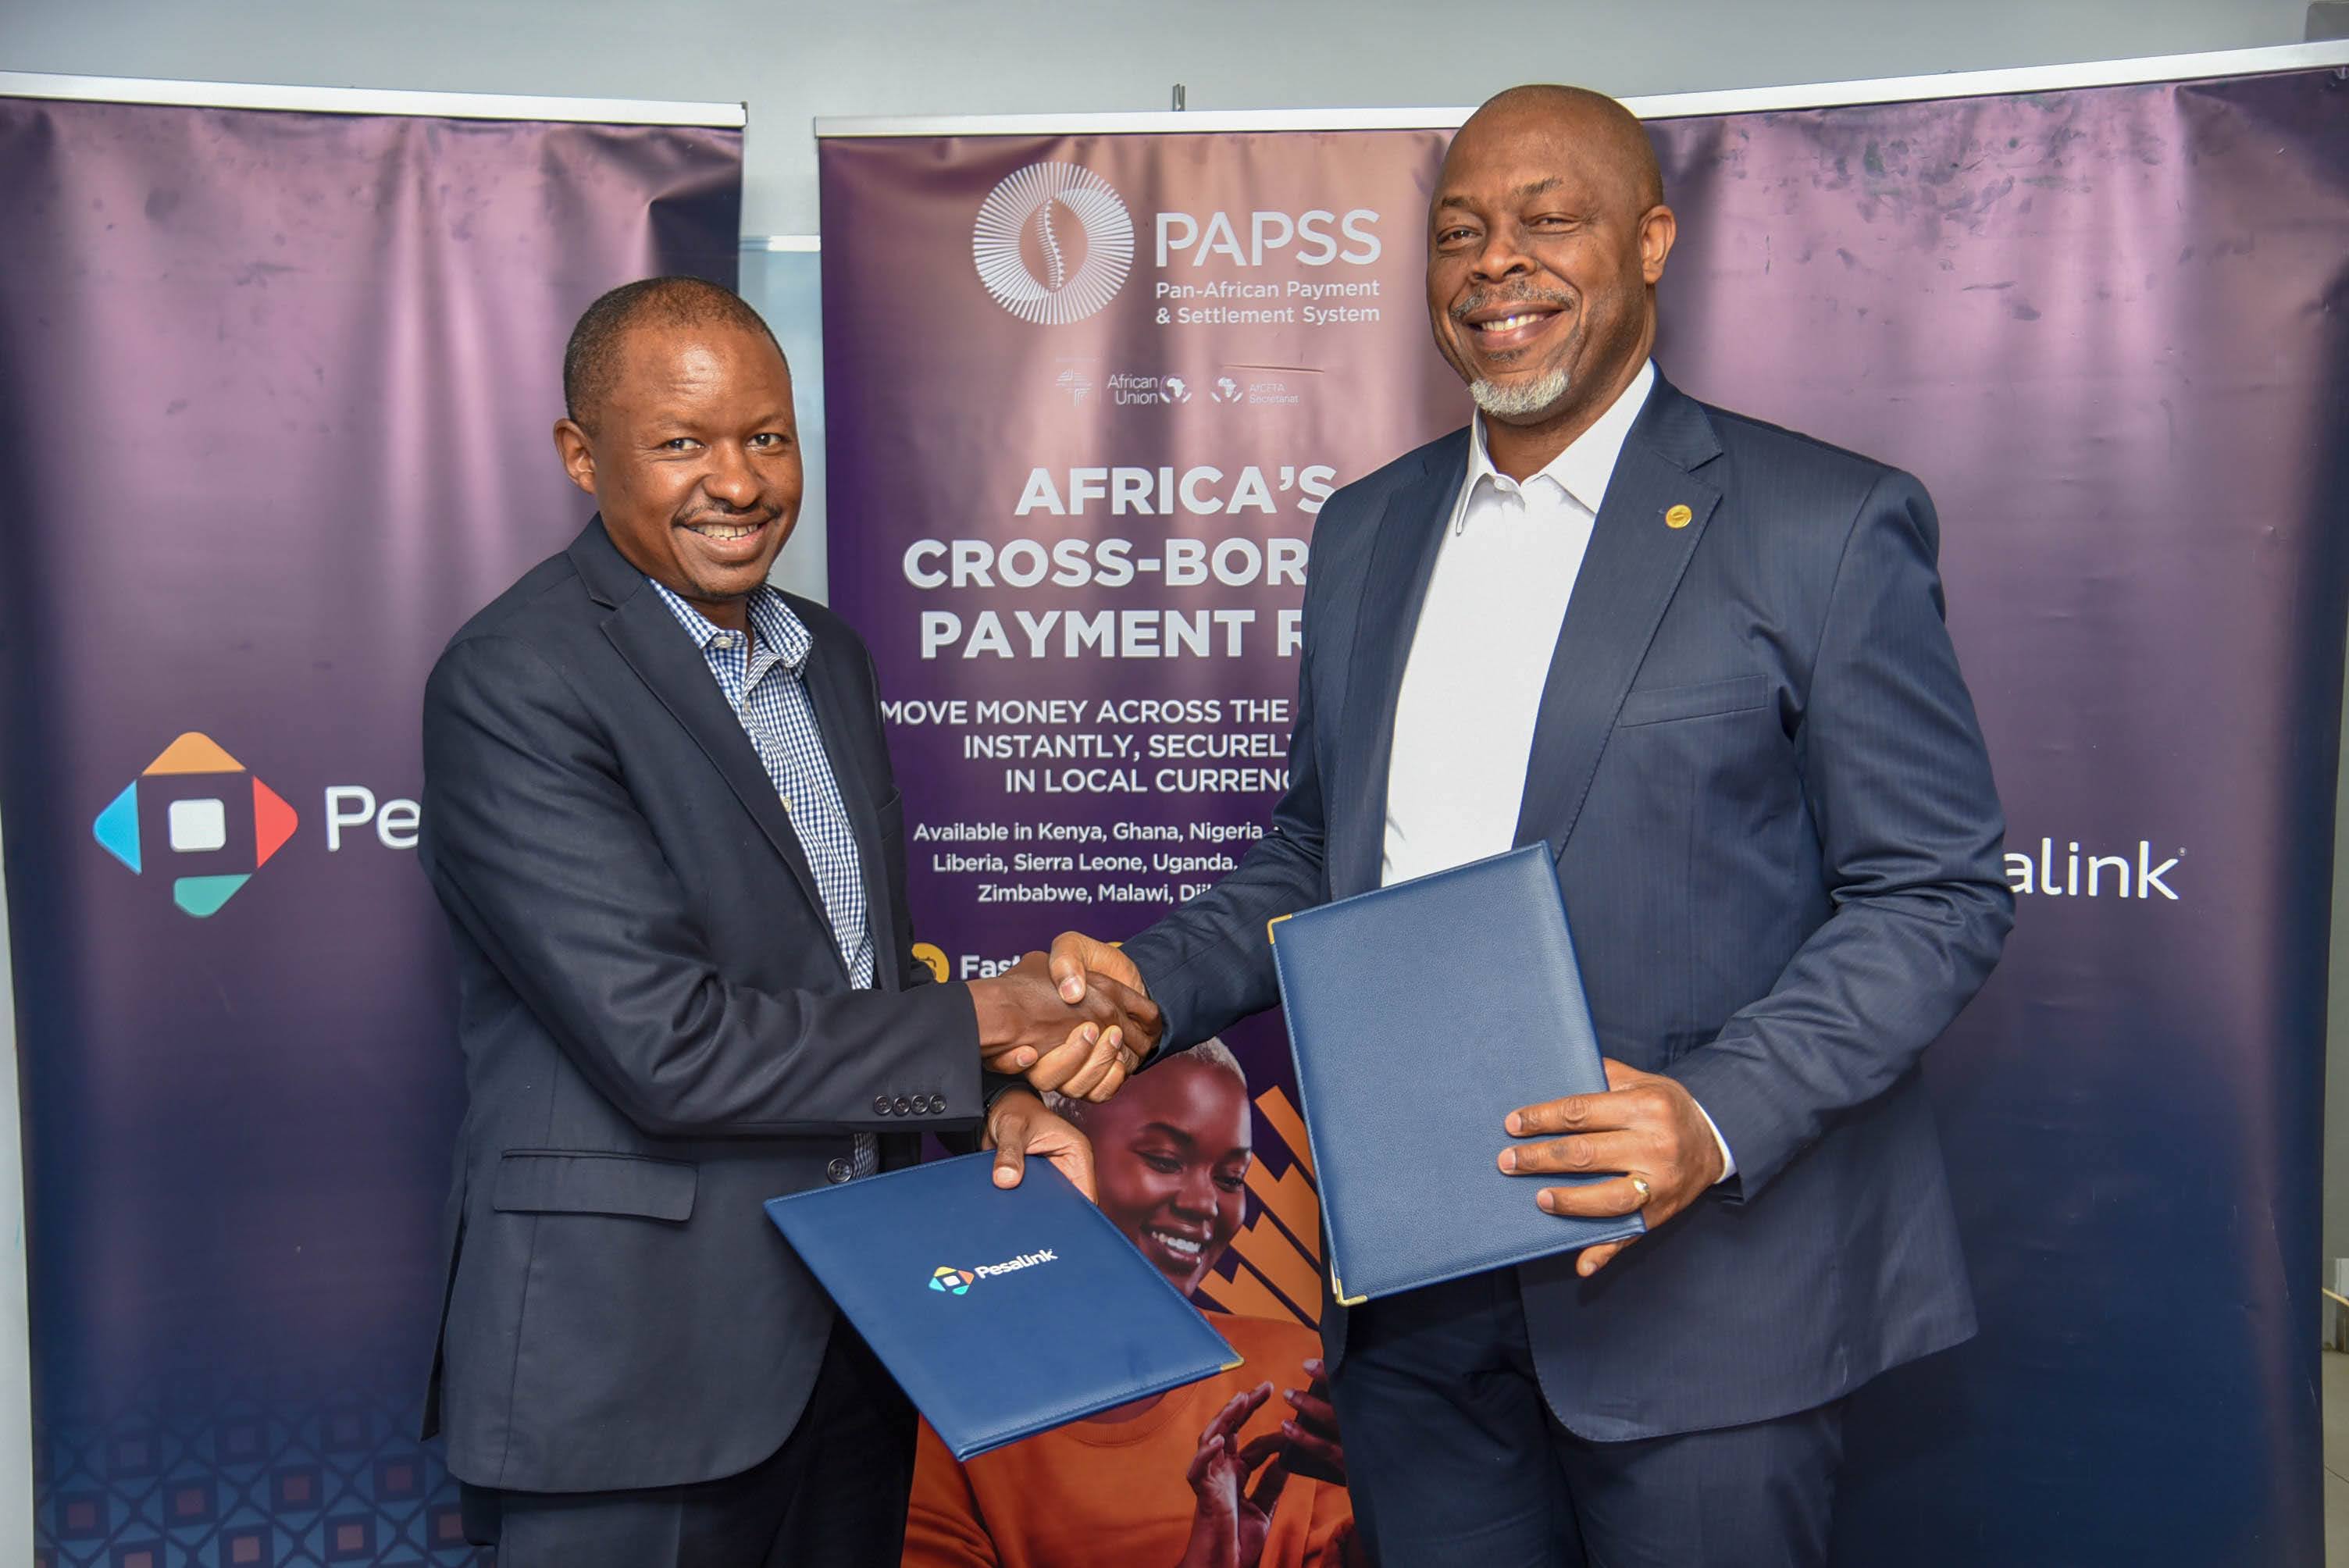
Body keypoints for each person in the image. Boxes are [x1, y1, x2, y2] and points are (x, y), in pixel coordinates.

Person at [1042, 86, 2012, 1567]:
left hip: (1698, 1296)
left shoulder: (1821, 524)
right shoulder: (1365, 530)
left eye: (1549, 220)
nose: (1497, 261)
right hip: (1415, 1298)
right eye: (1460, 231)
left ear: (1651, 242)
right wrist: (1144, 985)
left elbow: (1933, 893)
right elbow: (1319, 853)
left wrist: (1711, 1115)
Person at [415, 276, 1154, 1568]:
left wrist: (995, 1103)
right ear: (581, 455)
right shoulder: (516, 680)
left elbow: (862, 974)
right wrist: (995, 1014)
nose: (739, 482)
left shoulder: (828, 657)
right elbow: (669, 1046)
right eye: (681, 442)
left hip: (854, 1338)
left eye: (767, 436)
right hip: (634, 1370)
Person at [904, 1041, 1358, 1568]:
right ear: (1051, 1160)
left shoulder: (1296, 1372)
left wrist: (1392, 1499)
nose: (1205, 1204)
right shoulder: (947, 1408)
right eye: (1165, 1160)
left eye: (1231, 1179)